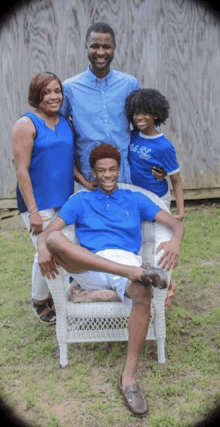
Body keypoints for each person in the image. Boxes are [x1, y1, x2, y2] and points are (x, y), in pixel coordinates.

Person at [37, 144, 185, 416]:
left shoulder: (135, 199)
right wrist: (42, 248)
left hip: (127, 263)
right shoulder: (80, 200)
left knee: (141, 290)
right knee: (57, 238)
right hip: (90, 266)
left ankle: (128, 379)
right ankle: (134, 275)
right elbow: (50, 234)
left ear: (119, 170)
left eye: (112, 169)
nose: (107, 175)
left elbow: (176, 223)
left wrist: (175, 240)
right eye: (101, 170)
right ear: (93, 172)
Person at [12, 72, 87, 324]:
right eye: (48, 92)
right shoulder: (26, 124)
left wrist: (86, 182)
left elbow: (68, 161)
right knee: (44, 252)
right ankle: (39, 299)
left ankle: (55, 295)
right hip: (37, 202)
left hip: (64, 199)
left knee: (65, 250)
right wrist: (33, 211)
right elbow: (21, 170)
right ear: (37, 95)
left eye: (58, 91)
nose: (54, 96)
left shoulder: (66, 122)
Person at [59, 22, 164, 186]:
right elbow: (58, 131)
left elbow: (143, 129)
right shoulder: (69, 88)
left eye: (106, 47)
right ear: (86, 47)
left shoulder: (130, 84)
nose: (100, 52)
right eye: (94, 46)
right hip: (90, 178)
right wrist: (80, 178)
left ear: (114, 48)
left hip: (126, 175)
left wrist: (159, 159)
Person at [126, 88, 185, 307]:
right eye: (136, 113)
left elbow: (176, 181)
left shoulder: (163, 146)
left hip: (157, 199)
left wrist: (180, 211)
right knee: (141, 241)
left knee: (159, 240)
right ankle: (146, 283)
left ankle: (167, 285)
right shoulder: (131, 135)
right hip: (136, 199)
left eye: (145, 112)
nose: (139, 117)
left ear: (156, 114)